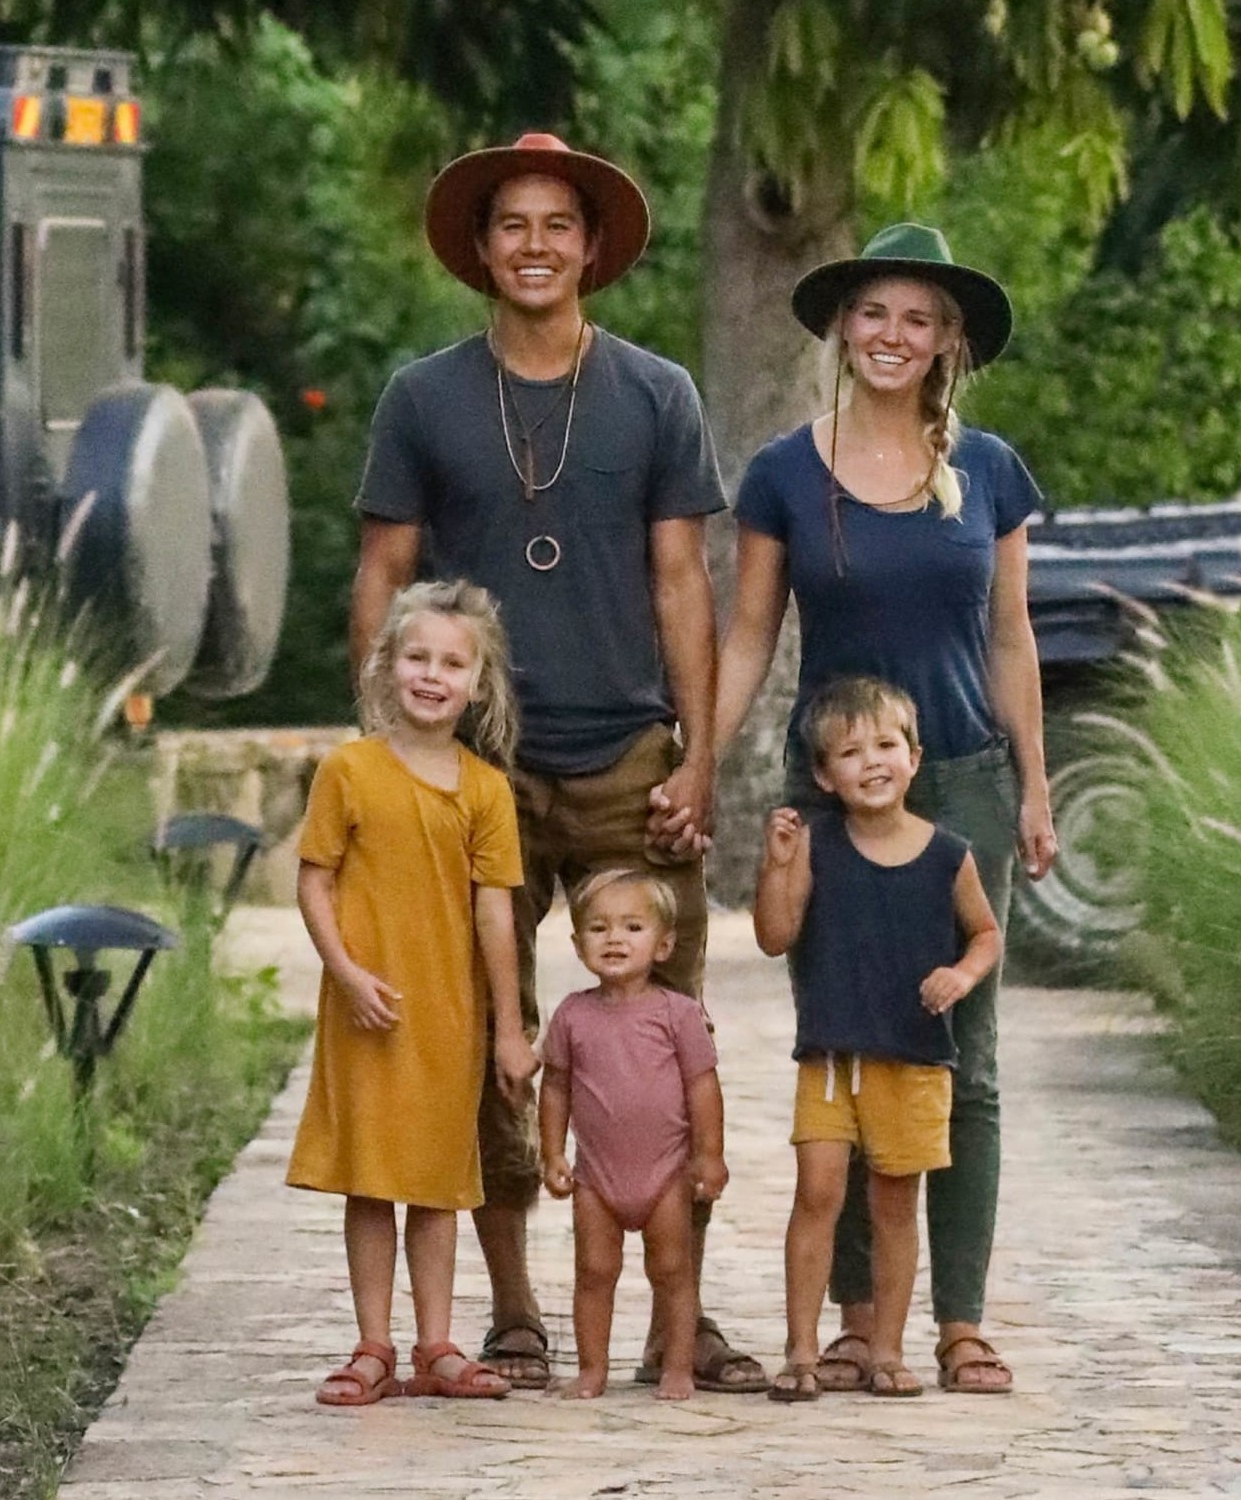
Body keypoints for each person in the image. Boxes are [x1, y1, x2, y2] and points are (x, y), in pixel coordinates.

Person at [348, 134, 765, 1393]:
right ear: (482, 249)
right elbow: (382, 572)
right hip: (474, 767)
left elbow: (683, 579)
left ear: (592, 248)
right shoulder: (424, 397)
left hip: (629, 751)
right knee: (490, 1029)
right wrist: (390, 751)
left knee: (663, 1037)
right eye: (512, 225)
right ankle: (517, 1309)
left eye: (557, 225)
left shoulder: (656, 393)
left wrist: (698, 757)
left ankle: (676, 1321)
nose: (534, 245)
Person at [715, 224, 1058, 1395]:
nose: (893, 335)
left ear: (949, 340)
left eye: (919, 319)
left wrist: (1035, 784)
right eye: (874, 313)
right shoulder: (783, 474)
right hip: (834, 797)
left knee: (966, 1059)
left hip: (958, 782)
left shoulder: (992, 472)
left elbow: (1010, 638)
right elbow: (750, 634)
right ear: (841, 327)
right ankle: (862, 1319)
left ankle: (959, 1319)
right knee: (851, 1051)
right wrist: (699, 764)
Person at [287, 579, 540, 1405]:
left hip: (447, 1019)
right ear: (386, 665)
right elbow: (315, 882)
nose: (432, 675)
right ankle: (373, 1345)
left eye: (453, 663)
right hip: (366, 1010)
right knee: (371, 1180)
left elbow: (496, 915)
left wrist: (509, 1029)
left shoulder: (485, 790)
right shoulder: (348, 771)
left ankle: (437, 1345)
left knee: (437, 1183)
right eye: (417, 657)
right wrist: (346, 973)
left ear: (480, 682)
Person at [754, 677, 1002, 1400]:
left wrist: (961, 975)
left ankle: (888, 1351)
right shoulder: (816, 845)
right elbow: (775, 935)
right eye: (850, 752)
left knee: (895, 1205)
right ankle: (802, 1350)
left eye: (887, 745)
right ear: (823, 776)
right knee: (818, 1192)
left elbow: (986, 933)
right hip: (832, 1058)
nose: (872, 762)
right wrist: (775, 865)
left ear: (915, 759)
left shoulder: (948, 854)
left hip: (914, 1058)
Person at [539, 869, 729, 1401]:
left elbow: (703, 1087)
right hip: (596, 1177)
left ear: (663, 945)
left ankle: (677, 1367)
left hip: (665, 1173)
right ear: (578, 945)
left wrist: (709, 1155)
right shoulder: (572, 1015)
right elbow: (554, 1087)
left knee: (672, 1270)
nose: (614, 939)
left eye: (632, 927)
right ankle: (592, 1369)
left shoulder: (678, 1014)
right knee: (593, 1271)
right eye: (598, 928)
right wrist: (552, 1152)